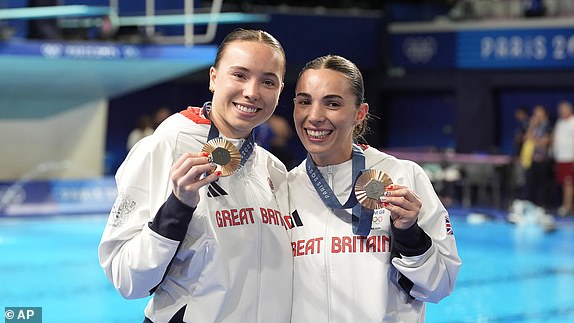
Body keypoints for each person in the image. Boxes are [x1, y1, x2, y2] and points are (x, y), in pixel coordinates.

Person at [98, 29, 292, 323]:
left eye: (267, 81)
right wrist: (177, 206)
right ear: (214, 78)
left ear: (279, 91)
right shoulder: (167, 145)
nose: (252, 91)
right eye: (239, 75)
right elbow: (126, 278)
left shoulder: (272, 169)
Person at [287, 55, 461, 322]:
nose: (315, 116)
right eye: (304, 102)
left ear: (360, 113)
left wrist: (410, 235)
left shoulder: (404, 176)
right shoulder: (284, 188)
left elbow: (440, 285)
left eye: (332, 103)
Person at [522, 104, 553, 209]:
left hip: (543, 159)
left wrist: (533, 140)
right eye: (535, 112)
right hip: (531, 159)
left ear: (544, 113)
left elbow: (544, 142)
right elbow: (526, 138)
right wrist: (532, 126)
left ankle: (542, 206)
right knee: (530, 184)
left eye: (538, 112)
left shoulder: (548, 125)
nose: (536, 114)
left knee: (542, 185)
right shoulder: (535, 126)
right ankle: (531, 207)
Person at [552, 101, 574, 216]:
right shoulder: (559, 122)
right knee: (565, 184)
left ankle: (567, 206)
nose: (561, 112)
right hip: (561, 158)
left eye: (563, 110)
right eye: (560, 111)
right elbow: (556, 139)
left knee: (568, 183)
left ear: (569, 110)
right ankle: (568, 205)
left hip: (570, 158)